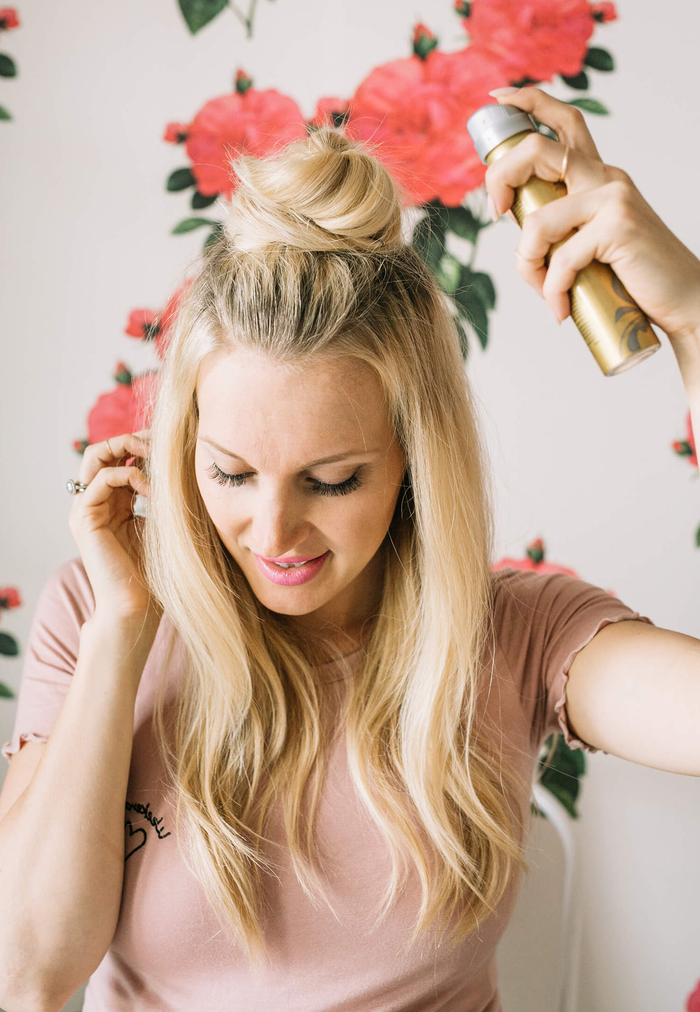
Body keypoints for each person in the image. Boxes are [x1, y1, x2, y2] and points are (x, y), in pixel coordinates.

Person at [0, 87, 698, 1012]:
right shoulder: (97, 614)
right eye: (232, 475)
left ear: (416, 461)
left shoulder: (524, 634)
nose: (274, 534)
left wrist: (691, 316)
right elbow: (25, 973)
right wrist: (124, 631)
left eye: (333, 481)